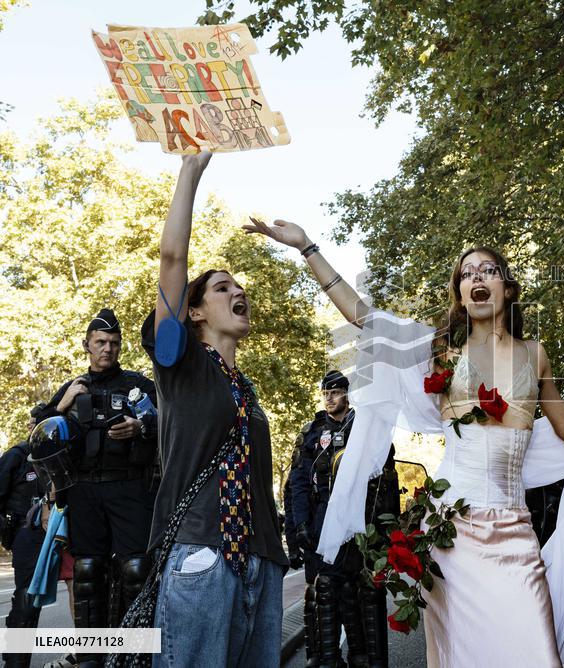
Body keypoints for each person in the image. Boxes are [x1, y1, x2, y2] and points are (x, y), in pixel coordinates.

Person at [246, 217, 564, 668]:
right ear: (459, 293)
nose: (476, 277)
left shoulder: (535, 354)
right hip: (451, 534)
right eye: (467, 273)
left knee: (535, 650)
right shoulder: (438, 350)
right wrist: (306, 247)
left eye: (488, 270)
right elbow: (362, 318)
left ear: (508, 289)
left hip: (516, 532)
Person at [133, 154, 287, 667]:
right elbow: (172, 259)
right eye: (223, 287)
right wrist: (191, 171)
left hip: (260, 564)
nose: (238, 291)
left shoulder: (245, 389)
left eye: (239, 286)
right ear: (194, 311)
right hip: (201, 555)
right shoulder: (182, 364)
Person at [42, 308, 157, 668]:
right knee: (88, 571)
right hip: (84, 492)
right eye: (100, 342)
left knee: (136, 569)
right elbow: (41, 443)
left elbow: (168, 424)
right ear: (86, 345)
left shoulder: (139, 386)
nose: (107, 349)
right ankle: (91, 657)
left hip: (129, 488)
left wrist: (141, 428)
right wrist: (59, 407)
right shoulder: (72, 389)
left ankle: (137, 653)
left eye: (114, 343)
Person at [288, 369, 399, 668]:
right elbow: (297, 482)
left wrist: (388, 528)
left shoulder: (365, 426)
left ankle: (367, 658)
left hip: (363, 518)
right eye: (325, 393)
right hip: (323, 519)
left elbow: (386, 476)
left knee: (365, 589)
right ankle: (327, 660)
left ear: (348, 395)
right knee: (325, 589)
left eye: (335, 392)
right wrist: (298, 526)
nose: (329, 398)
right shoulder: (312, 432)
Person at [1, 406, 48, 668]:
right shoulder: (16, 456)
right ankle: (16, 662)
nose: (32, 428)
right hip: (26, 534)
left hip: (61, 533)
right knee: (27, 600)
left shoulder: (61, 454)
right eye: (31, 424)